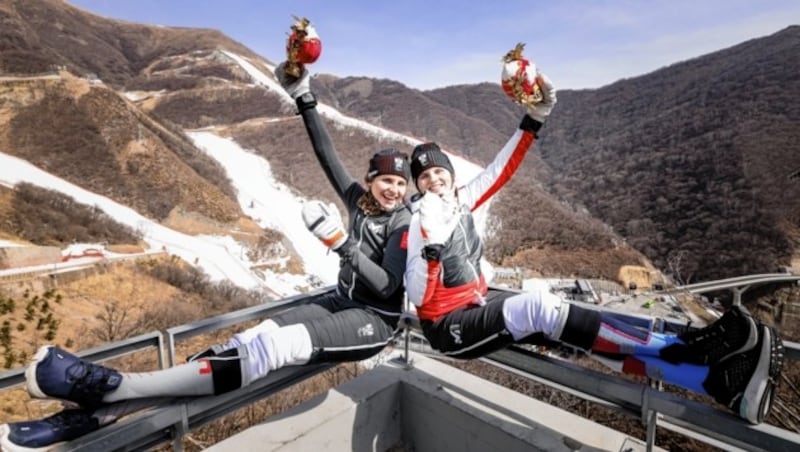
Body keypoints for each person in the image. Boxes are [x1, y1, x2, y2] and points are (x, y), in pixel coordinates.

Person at [0, 62, 412, 451]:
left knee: (275, 348)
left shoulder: (404, 224)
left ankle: (113, 385)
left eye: (400, 183)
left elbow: (388, 285)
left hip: (373, 319)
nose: (393, 189)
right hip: (339, 299)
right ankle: (98, 415)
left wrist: (340, 243)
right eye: (385, 180)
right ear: (370, 181)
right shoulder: (360, 202)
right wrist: (303, 96)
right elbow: (327, 155)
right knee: (249, 339)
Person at [403, 69, 784, 425]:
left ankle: (722, 387)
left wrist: (534, 120)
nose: (434, 179)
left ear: (451, 175)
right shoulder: (421, 223)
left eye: (440, 171)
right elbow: (420, 296)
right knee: (541, 306)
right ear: (417, 186)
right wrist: (431, 250)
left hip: (477, 306)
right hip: (447, 327)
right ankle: (688, 345)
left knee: (580, 335)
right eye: (424, 176)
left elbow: (502, 168)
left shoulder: (461, 201)